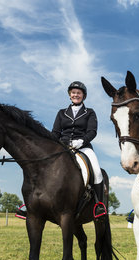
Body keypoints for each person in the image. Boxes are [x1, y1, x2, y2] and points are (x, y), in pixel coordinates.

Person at [52, 81, 107, 218]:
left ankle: (99, 206)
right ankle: (31, 205)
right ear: (70, 95)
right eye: (73, 92)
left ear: (83, 95)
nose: (76, 95)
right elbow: (55, 132)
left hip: (83, 147)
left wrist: (81, 141)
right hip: (63, 146)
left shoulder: (90, 112)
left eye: (78, 93)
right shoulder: (61, 113)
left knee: (97, 171)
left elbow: (92, 131)